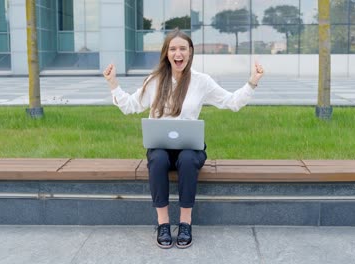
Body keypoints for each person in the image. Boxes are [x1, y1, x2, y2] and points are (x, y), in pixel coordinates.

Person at [103, 28, 264, 249]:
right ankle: (163, 224)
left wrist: (252, 82)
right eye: (173, 49)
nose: (178, 53)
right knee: (157, 160)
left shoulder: (201, 81)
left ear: (190, 52)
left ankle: (185, 223)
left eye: (183, 48)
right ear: (166, 53)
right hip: (160, 147)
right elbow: (130, 106)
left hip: (190, 147)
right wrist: (113, 83)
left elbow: (232, 102)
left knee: (188, 160)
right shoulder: (155, 80)